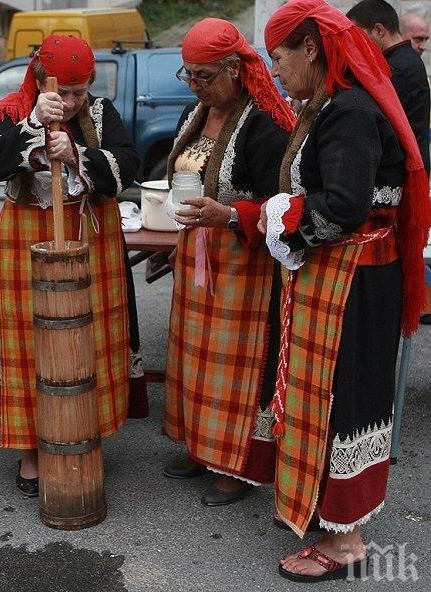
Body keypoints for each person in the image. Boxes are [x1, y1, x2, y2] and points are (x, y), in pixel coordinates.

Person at [262, 0, 430, 581]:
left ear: (310, 48)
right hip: (352, 277)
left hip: (355, 282)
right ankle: (332, 519)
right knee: (338, 394)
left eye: (280, 58)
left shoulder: (349, 111)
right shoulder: (336, 105)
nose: (276, 71)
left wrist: (285, 225)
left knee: (346, 398)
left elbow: (345, 206)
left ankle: (346, 543)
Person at [0, 35, 148, 496]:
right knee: (30, 340)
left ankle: (85, 433)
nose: (70, 103)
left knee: (90, 338)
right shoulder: (12, 110)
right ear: (39, 79)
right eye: (62, 93)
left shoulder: (102, 113)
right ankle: (32, 444)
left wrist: (78, 155)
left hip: (92, 233)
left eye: (79, 93)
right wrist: (32, 123)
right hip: (28, 234)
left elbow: (128, 165)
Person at [161, 19, 295, 506]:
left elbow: (282, 201)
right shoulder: (193, 114)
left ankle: (235, 464)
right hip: (197, 254)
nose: (196, 86)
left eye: (205, 76)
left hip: (243, 261)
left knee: (236, 365)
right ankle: (200, 446)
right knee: (194, 356)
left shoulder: (265, 122)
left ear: (235, 69)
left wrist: (229, 214)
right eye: (188, 75)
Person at [348, 0, 430, 173]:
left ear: (378, 30)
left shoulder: (397, 67)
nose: (354, 44)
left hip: (403, 170)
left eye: (358, 36)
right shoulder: (402, 60)